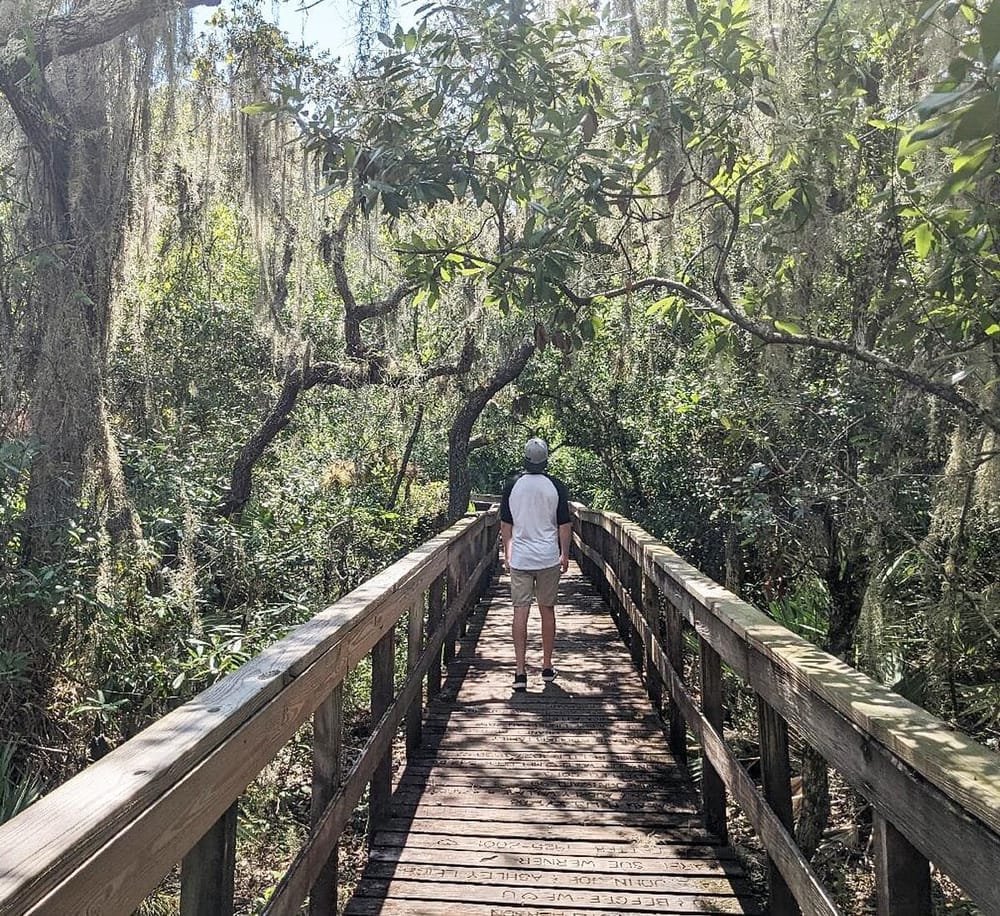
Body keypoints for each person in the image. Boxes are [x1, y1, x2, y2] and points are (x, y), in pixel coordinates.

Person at [499, 437, 571, 692]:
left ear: (525, 459)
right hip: (548, 557)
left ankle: (520, 672)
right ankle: (547, 666)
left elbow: (506, 526)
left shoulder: (512, 485)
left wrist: (507, 554)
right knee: (547, 610)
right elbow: (564, 525)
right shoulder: (556, 486)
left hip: (520, 558)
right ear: (546, 460)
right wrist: (565, 554)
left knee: (520, 611)